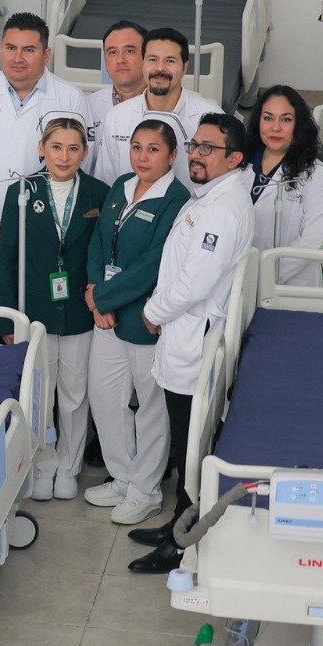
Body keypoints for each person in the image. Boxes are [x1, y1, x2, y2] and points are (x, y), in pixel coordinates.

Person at [128, 112, 255, 574]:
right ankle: (177, 523)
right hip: (184, 331)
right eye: (196, 145)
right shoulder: (211, 195)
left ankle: (182, 543)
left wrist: (152, 312)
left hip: (193, 335)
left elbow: (195, 283)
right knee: (186, 441)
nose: (197, 155)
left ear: (235, 158)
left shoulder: (222, 208)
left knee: (192, 443)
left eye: (209, 148)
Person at [0, 12, 86, 343]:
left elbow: (75, 167)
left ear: (46, 54)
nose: (18, 58)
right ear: (0, 51)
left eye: (29, 50)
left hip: (43, 236)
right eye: (10, 48)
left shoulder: (69, 98)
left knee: (32, 339)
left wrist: (27, 229)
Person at [82, 116, 191, 526]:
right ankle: (123, 476)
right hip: (105, 313)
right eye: (137, 147)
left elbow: (154, 264)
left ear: (172, 156)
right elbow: (97, 243)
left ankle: (145, 489)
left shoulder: (176, 199)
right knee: (105, 398)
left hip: (144, 318)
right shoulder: (122, 184)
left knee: (150, 407)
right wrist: (95, 295)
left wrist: (104, 297)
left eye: (153, 149)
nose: (142, 157)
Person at [0, 115, 108, 501]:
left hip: (77, 309)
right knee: (39, 395)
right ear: (42, 149)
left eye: (73, 148)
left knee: (75, 394)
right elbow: (7, 258)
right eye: (56, 147)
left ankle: (69, 468)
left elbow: (105, 254)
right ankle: (42, 465)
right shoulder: (21, 193)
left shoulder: (98, 193)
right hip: (35, 311)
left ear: (85, 152)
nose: (64, 156)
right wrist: (9, 316)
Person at [93, 27, 223, 186]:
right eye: (152, 59)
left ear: (185, 67)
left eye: (170, 60)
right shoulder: (117, 117)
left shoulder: (211, 119)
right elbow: (106, 182)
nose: (160, 68)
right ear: (143, 63)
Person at [244, 85, 323, 286]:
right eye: (268, 118)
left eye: (286, 119)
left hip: (290, 286)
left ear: (299, 125)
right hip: (237, 280)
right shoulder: (240, 163)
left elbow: (312, 242)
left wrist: (263, 277)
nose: (275, 128)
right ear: (258, 121)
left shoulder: (316, 174)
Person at [83, 20, 147, 147]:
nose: (120, 60)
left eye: (129, 51)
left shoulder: (164, 104)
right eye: (112, 52)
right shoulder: (87, 106)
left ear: (147, 55)